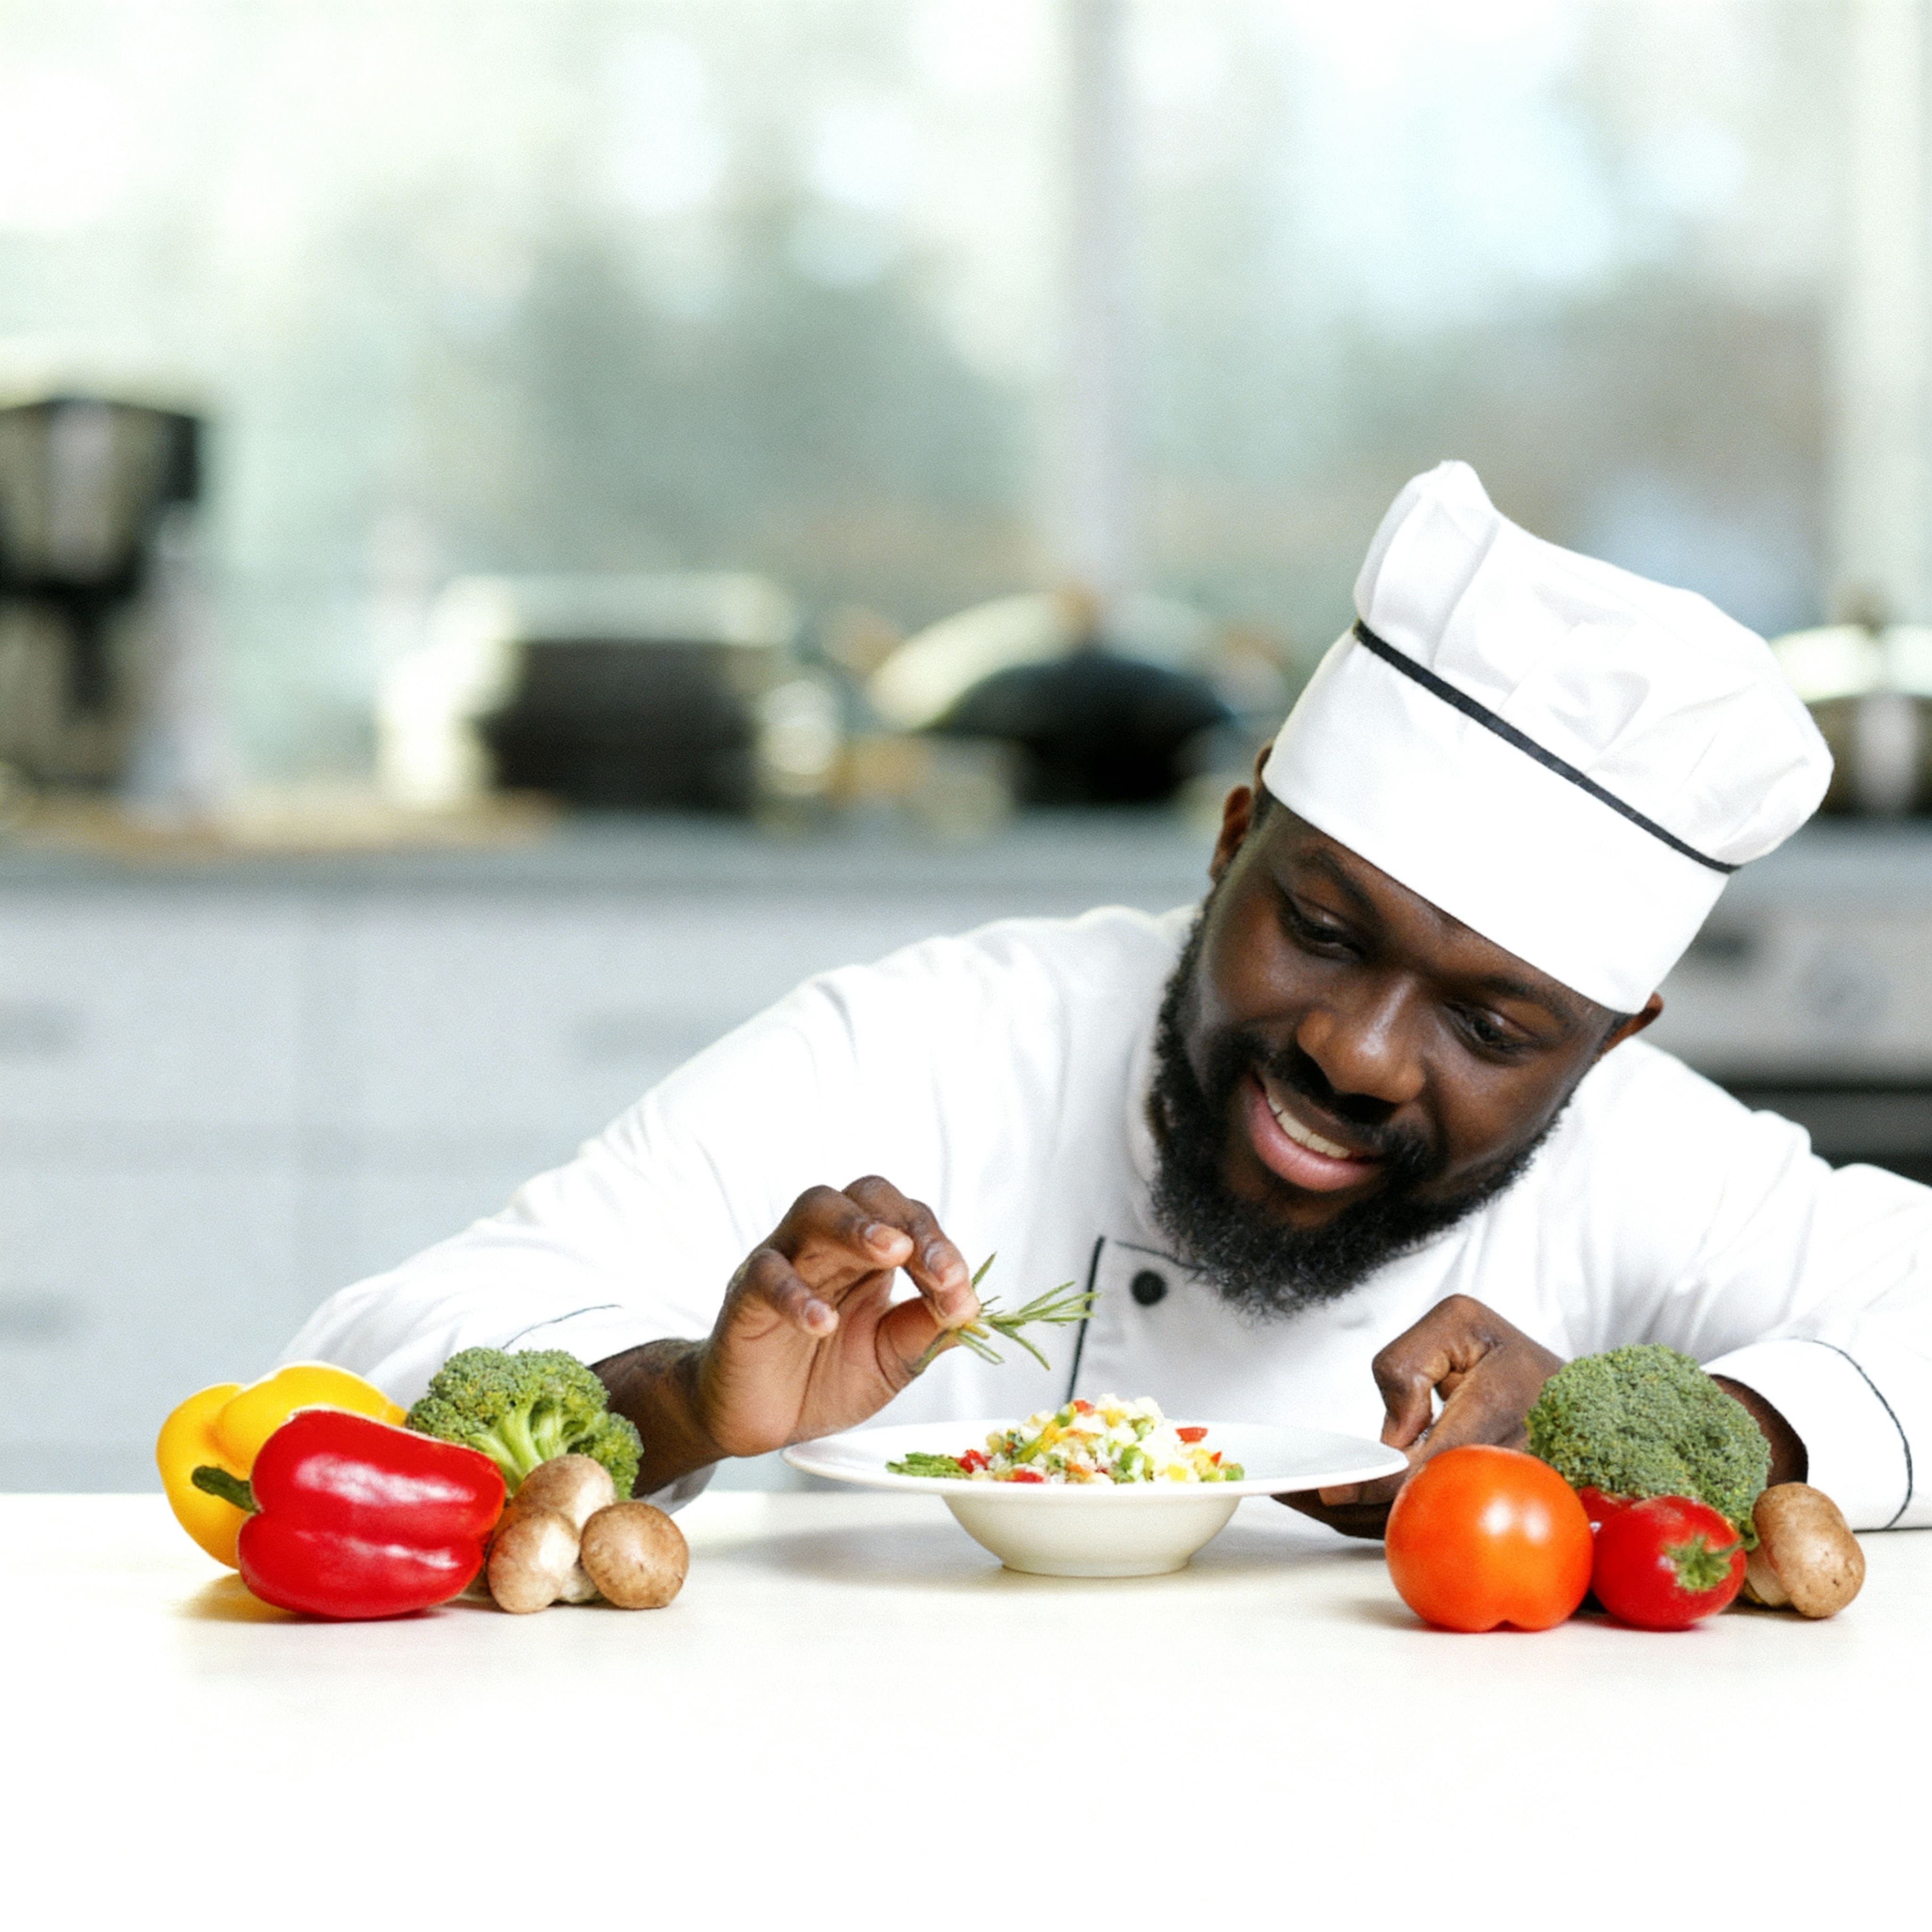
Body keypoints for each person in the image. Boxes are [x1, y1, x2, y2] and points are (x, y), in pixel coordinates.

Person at [284, 461, 1931, 1536]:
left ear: (1610, 1044)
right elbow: (376, 1344)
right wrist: (680, 1401)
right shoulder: (932, 1046)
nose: (1355, 1052)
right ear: (1230, 841)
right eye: (1324, 929)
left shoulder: (1646, 1159)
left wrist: (1657, 1432)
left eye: (1493, 1029)